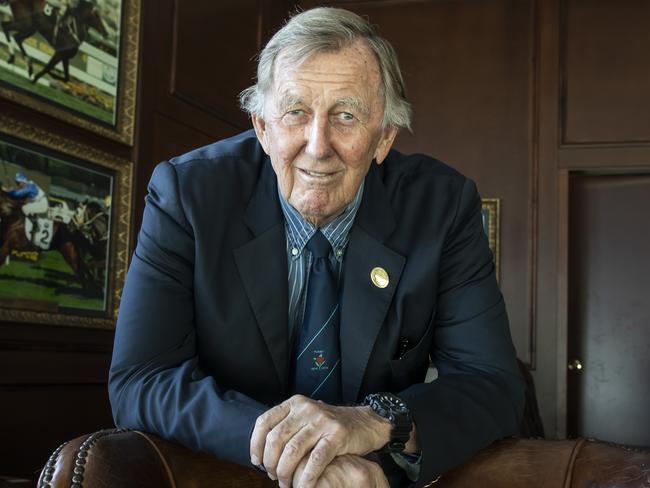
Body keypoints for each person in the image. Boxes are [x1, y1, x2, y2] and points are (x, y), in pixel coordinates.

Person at [109, 7, 524, 488]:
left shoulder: (442, 207)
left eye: (346, 115)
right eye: (295, 112)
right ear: (262, 127)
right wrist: (303, 453)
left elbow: (492, 384)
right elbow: (141, 377)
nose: (317, 144)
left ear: (383, 137)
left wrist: (372, 424)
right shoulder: (188, 194)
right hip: (226, 471)